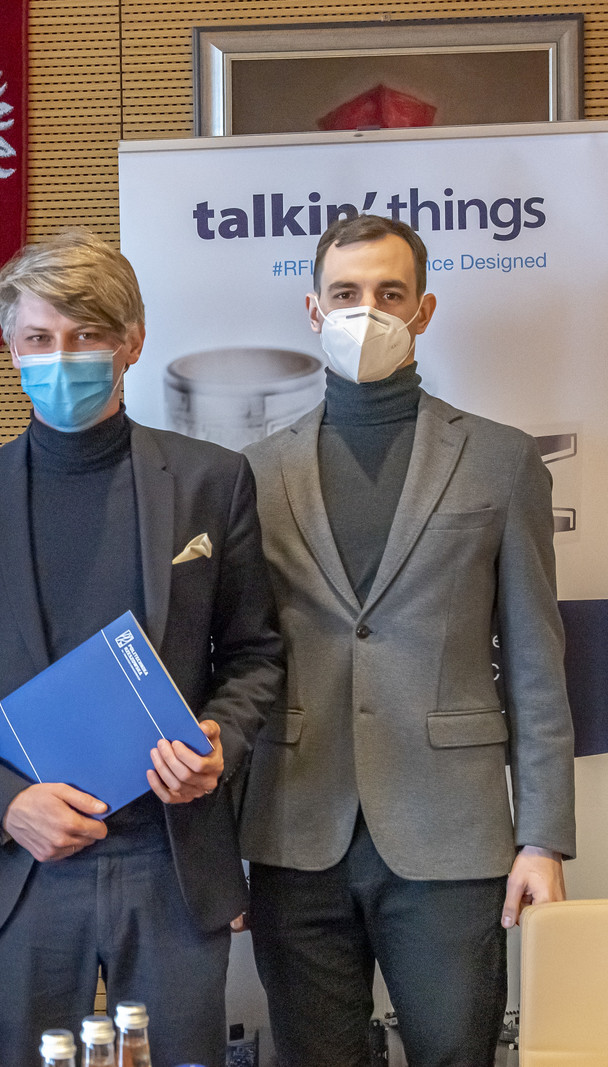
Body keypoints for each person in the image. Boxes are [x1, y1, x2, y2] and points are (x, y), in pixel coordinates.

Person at [0, 230, 283, 1067]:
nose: (60, 358)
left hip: (172, 860)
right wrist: (5, 802)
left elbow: (256, 654)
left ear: (132, 342)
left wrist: (222, 740)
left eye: (86, 336)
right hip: (23, 865)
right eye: (39, 338)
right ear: (11, 347)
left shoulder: (213, 482)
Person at [240, 213, 576, 1066]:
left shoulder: (501, 459)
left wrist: (542, 837)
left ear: (423, 310)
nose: (367, 311)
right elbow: (235, 662)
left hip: (453, 836)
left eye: (389, 293)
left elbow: (536, 664)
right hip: (294, 832)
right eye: (346, 293)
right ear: (313, 310)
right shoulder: (251, 472)